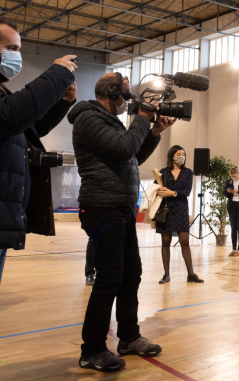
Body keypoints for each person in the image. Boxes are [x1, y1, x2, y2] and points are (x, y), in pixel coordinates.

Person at [0, 15, 77, 379]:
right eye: (13, 49)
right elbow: (9, 118)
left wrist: (59, 103)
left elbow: (21, 129)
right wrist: (55, 75)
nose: (17, 57)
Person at [69, 72, 175, 372]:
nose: (131, 101)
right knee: (110, 277)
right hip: (102, 206)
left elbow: (131, 157)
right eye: (127, 94)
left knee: (131, 274)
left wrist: (153, 131)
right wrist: (142, 116)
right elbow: (124, 148)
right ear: (112, 92)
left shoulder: (111, 122)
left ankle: (128, 338)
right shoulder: (89, 118)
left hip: (121, 206)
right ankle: (92, 349)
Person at [157, 145, 201, 285]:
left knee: (185, 242)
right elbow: (156, 187)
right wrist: (159, 190)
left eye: (183, 154)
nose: (181, 156)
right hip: (166, 209)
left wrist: (172, 193)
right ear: (172, 156)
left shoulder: (188, 172)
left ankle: (191, 274)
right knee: (165, 241)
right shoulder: (163, 172)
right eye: (178, 154)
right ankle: (166, 274)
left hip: (181, 208)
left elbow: (187, 191)